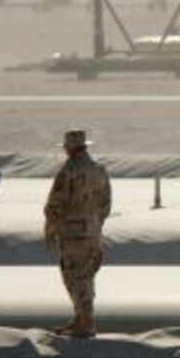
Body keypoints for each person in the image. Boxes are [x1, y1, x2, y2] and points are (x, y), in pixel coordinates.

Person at [43, 129, 111, 338]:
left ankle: (84, 323)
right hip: (92, 231)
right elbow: (105, 203)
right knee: (86, 276)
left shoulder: (69, 171)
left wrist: (51, 228)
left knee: (74, 277)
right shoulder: (99, 170)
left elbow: (55, 204)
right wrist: (95, 224)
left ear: (69, 149)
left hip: (73, 233)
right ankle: (82, 319)